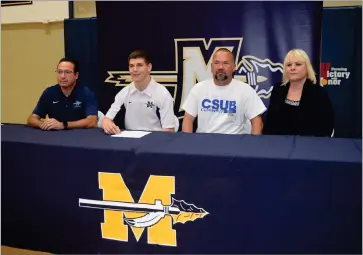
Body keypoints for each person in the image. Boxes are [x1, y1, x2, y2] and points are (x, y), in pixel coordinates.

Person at [181, 48, 266, 135]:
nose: (220, 67)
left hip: (235, 143)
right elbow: (188, 119)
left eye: (225, 63)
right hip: (204, 142)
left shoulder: (245, 90)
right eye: (216, 63)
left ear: (234, 67)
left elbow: (257, 122)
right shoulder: (198, 89)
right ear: (211, 67)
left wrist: (252, 146)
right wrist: (189, 144)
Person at [262, 49, 334, 137]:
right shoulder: (278, 90)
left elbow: (326, 127)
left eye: (298, 64)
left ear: (307, 68)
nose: (292, 68)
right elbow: (270, 123)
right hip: (279, 145)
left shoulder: (318, 93)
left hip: (309, 145)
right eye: (289, 65)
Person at [102, 50, 175, 134]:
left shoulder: (163, 94)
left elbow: (168, 131)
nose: (135, 69)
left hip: (155, 142)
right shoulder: (124, 92)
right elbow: (106, 119)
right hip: (129, 142)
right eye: (131, 66)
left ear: (149, 67)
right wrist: (108, 124)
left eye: (139, 65)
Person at [27, 57, 98, 130]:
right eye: (60, 72)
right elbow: (32, 119)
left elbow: (92, 121)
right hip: (54, 137)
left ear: (76, 75)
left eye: (67, 72)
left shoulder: (86, 93)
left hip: (80, 137)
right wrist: (43, 124)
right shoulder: (49, 93)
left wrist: (63, 125)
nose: (62, 76)